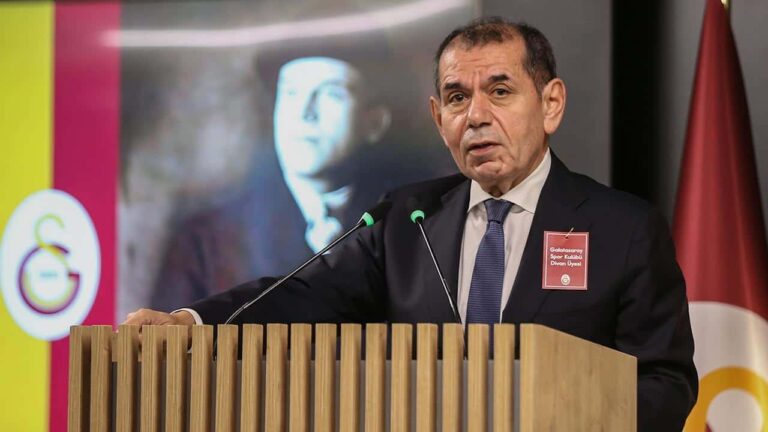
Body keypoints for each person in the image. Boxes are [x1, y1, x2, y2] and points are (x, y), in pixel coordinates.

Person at [128, 17, 697, 431]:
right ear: (437, 116)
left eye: (500, 91)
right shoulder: (407, 219)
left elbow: (667, 383)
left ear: (550, 104)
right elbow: (301, 292)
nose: (476, 116)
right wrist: (192, 321)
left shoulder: (622, 229)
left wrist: (577, 419)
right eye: (457, 97)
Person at [149, 51, 416, 310]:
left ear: (374, 123)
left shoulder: (408, 231)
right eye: (291, 93)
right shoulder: (205, 241)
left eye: (332, 94)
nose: (305, 113)